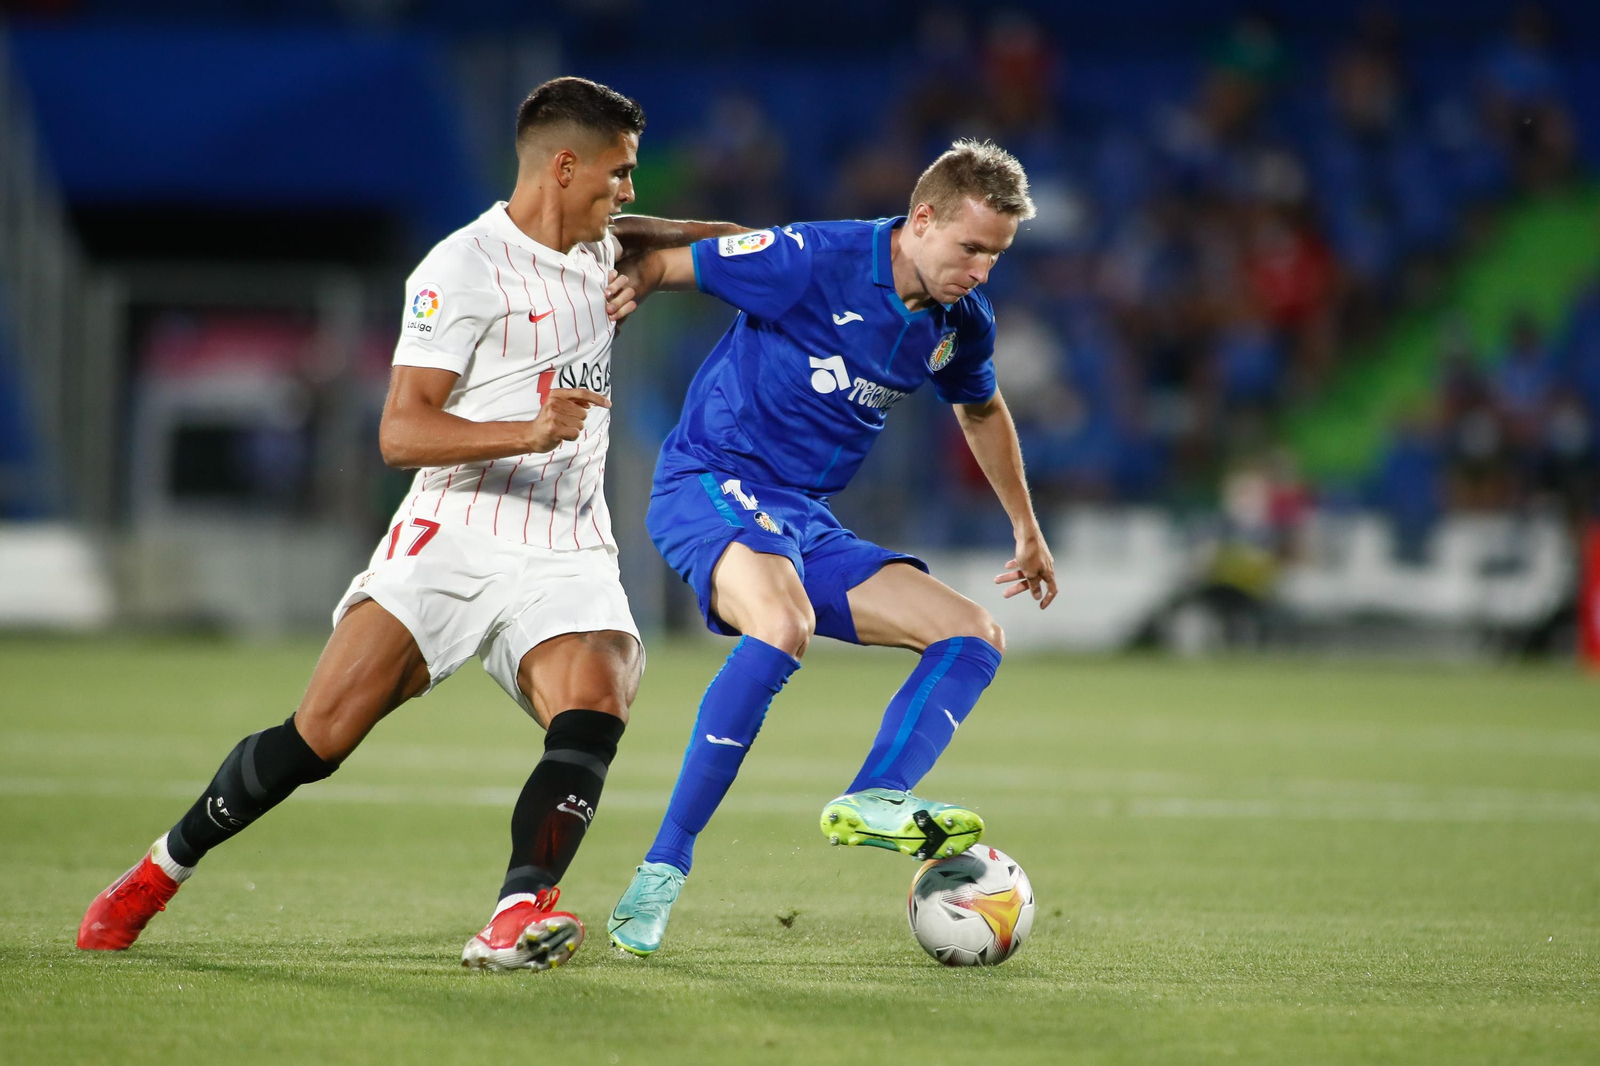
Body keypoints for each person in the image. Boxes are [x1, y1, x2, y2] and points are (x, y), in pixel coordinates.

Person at [76, 77, 740, 972]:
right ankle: (160, 870)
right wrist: (530, 429)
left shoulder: (605, 247)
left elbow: (734, 248)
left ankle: (515, 912)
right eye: (618, 173)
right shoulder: (459, 269)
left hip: (565, 539)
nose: (630, 191)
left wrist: (785, 256)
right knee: (320, 735)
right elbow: (400, 432)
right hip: (455, 525)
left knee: (600, 686)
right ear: (564, 165)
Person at [605, 139, 1058, 957]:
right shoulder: (817, 259)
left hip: (801, 519)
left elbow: (982, 413)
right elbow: (679, 265)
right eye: (971, 248)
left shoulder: (961, 323)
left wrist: (1026, 528)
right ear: (922, 220)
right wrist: (640, 272)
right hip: (710, 480)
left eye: (995, 255)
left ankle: (878, 793)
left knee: (974, 635)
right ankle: (664, 866)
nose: (982, 269)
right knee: (781, 623)